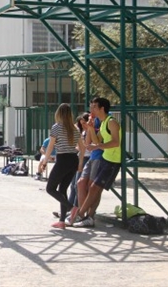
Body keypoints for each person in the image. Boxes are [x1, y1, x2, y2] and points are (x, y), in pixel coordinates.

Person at [72, 97, 121, 228]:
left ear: (102, 108)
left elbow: (116, 142)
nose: (91, 109)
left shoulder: (112, 122)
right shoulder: (103, 122)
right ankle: (83, 216)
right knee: (86, 184)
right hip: (105, 158)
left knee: (94, 188)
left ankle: (82, 215)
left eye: (94, 106)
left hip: (113, 160)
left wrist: (98, 146)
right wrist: (91, 128)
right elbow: (96, 141)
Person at [44, 103, 85, 229]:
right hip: (73, 160)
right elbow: (82, 149)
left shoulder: (56, 127)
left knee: (50, 188)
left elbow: (50, 146)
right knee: (62, 190)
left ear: (58, 114)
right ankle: (62, 221)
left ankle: (71, 207)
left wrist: (45, 160)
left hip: (62, 160)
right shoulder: (75, 128)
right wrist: (80, 164)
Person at [67, 113, 91, 206]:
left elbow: (85, 146)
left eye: (84, 123)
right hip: (81, 156)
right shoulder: (83, 132)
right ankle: (69, 207)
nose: (83, 126)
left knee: (79, 185)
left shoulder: (90, 131)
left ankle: (76, 209)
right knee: (73, 185)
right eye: (81, 124)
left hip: (87, 158)